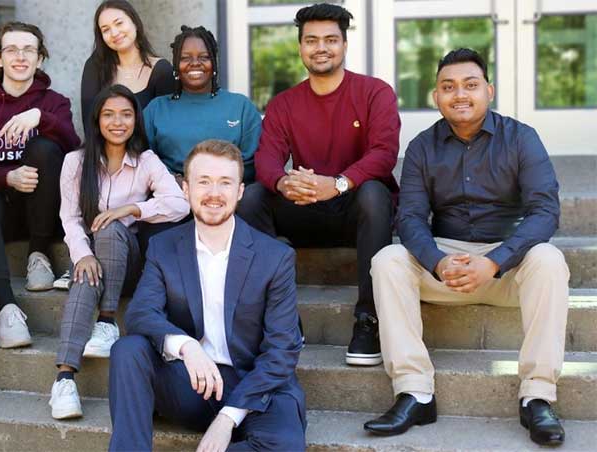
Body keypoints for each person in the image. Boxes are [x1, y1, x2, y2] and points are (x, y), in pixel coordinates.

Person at [365, 49, 569, 447]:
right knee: (388, 260)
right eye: (448, 87)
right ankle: (415, 392)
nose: (460, 94)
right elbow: (408, 218)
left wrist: (494, 262)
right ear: (436, 96)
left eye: (470, 85)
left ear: (489, 91)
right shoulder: (423, 147)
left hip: (507, 266)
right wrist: (438, 262)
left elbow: (546, 211)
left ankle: (538, 396)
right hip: (447, 262)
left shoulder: (521, 137)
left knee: (549, 259)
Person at [108, 140, 306, 451]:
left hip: (256, 386)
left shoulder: (275, 257)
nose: (214, 193)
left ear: (240, 191)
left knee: (284, 445)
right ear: (185, 189)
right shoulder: (163, 246)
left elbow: (282, 350)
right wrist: (186, 347)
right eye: (203, 181)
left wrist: (227, 418)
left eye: (225, 182)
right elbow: (140, 313)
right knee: (128, 349)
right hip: (190, 382)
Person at [236, 3, 399, 367]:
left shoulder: (375, 93)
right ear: (300, 48)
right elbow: (266, 158)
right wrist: (283, 182)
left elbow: (384, 154)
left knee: (375, 192)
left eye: (330, 40)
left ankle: (368, 320)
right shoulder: (283, 104)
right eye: (311, 40)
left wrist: (338, 183)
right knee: (252, 199)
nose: (320, 48)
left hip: (356, 211)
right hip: (305, 209)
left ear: (344, 44)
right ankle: (281, 317)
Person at [50, 84, 189, 420]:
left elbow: (180, 203)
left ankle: (108, 319)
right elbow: (69, 217)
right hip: (92, 258)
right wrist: (82, 254)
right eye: (109, 114)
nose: (118, 122)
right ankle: (64, 379)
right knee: (84, 277)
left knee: (112, 228)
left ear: (135, 120)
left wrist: (132, 210)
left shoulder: (146, 161)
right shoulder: (75, 162)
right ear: (97, 120)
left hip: (130, 265)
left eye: (126, 114)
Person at [0, 22, 81, 349]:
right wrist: (6, 177)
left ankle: (38, 255)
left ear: (40, 58)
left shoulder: (55, 102)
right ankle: (6, 308)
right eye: (12, 49)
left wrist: (42, 118)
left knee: (44, 148)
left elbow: (73, 152)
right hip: (1, 210)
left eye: (29, 50)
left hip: (43, 208)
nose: (20, 57)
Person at [143, 25, 262, 185]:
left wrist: (212, 183)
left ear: (214, 63)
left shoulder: (241, 107)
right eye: (185, 58)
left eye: (204, 57)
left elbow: (252, 162)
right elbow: (144, 159)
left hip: (229, 197)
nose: (195, 63)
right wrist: (176, 181)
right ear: (176, 65)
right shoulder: (156, 109)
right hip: (173, 195)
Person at [80, 0, 176, 134]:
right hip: (103, 152)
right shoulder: (95, 67)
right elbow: (90, 125)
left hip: (148, 153)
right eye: (106, 29)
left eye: (119, 23)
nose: (114, 33)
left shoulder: (161, 70)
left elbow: (166, 130)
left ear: (135, 23)